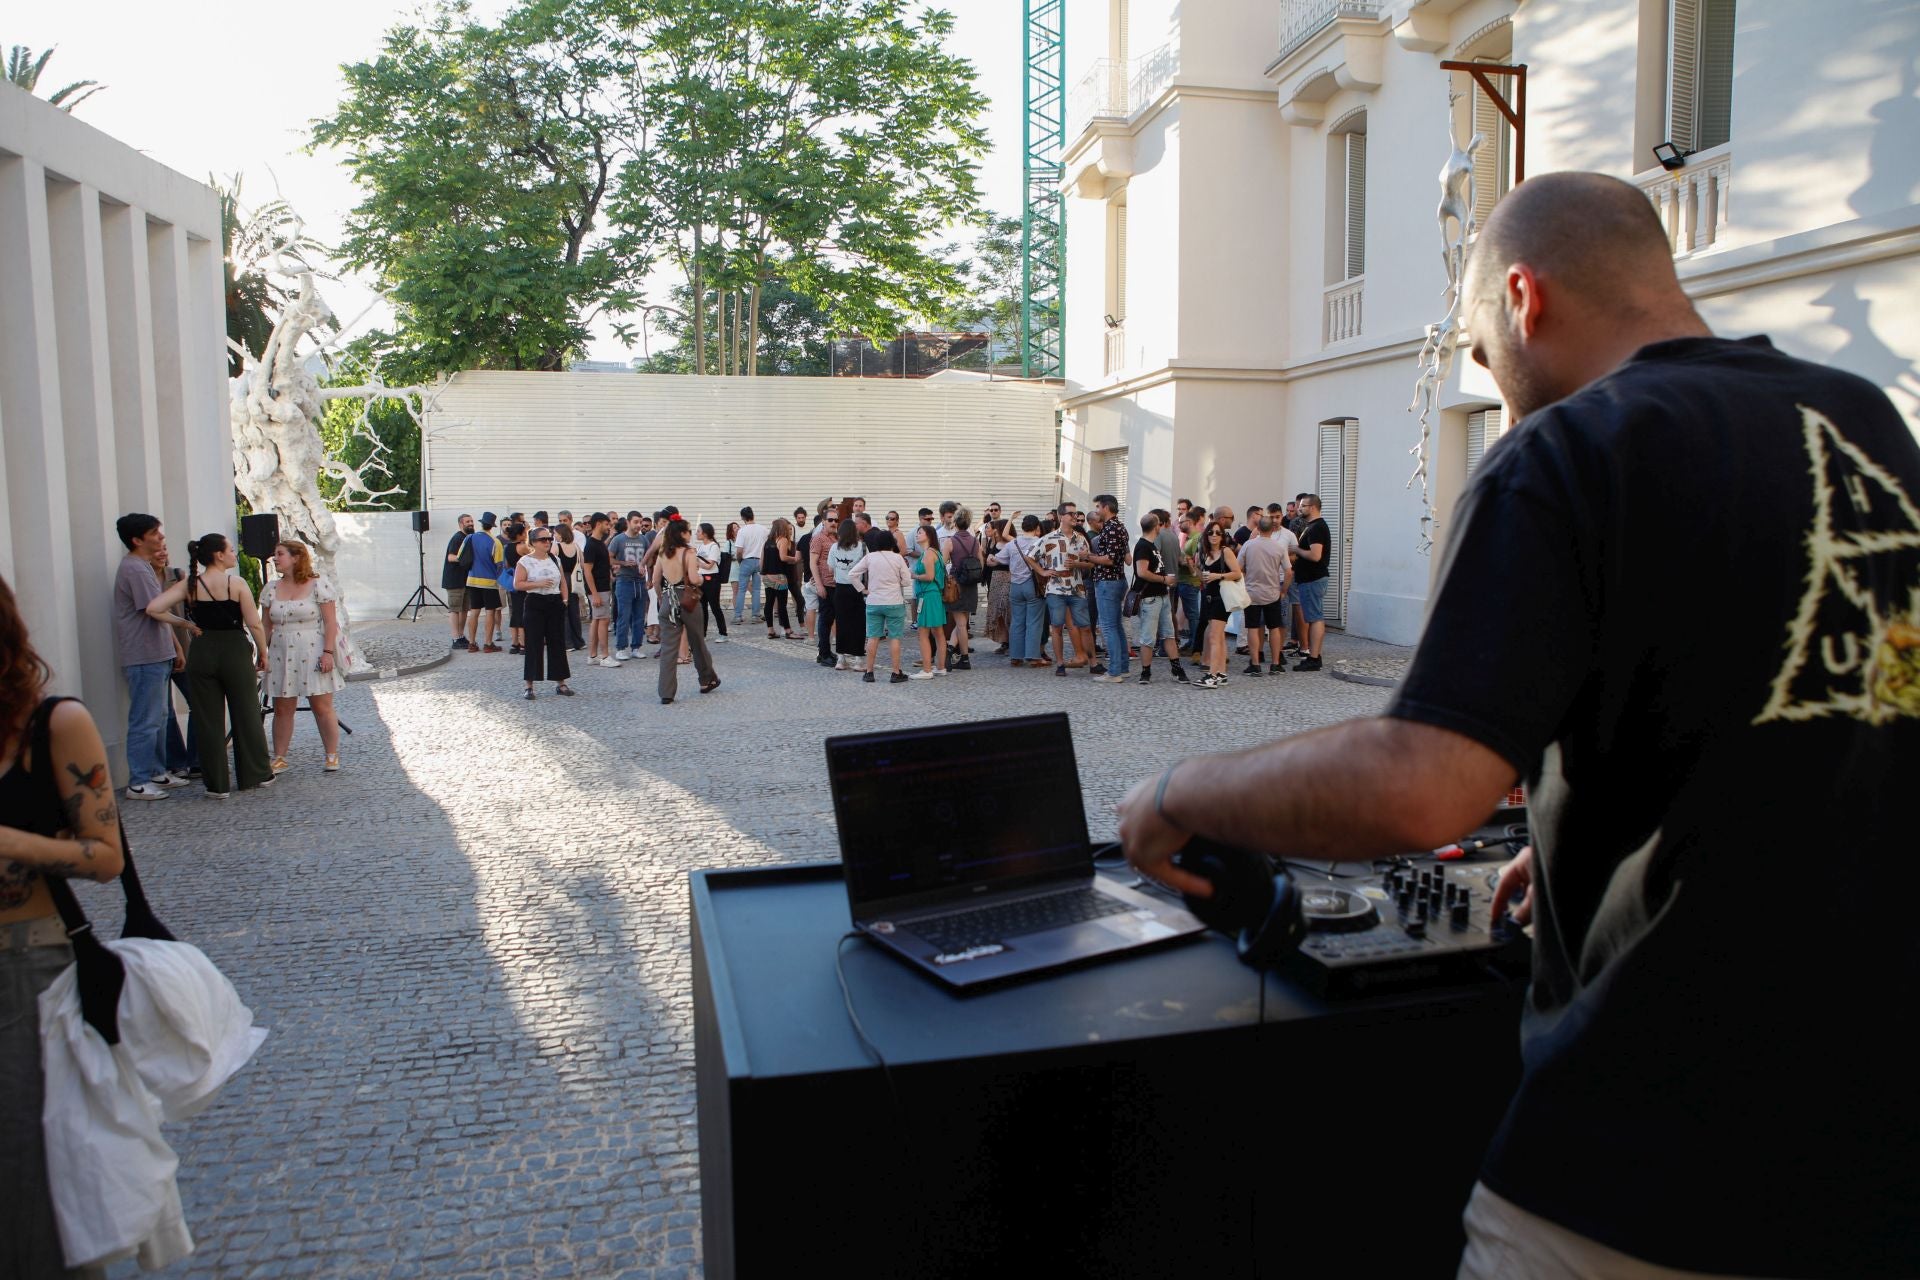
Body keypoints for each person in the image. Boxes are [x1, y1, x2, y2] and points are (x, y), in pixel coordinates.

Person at [1121, 171, 1920, 1279]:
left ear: (1523, 298)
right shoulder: (1864, 418)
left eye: (1482, 350)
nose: (1490, 383)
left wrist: (1173, 793)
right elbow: (1820, 713)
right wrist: (1588, 849)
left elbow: (1421, 786)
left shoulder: (1566, 452)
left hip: (1652, 1157)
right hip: (1874, 1135)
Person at [0, 573, 131, 1278]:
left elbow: (106, 857)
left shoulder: (54, 725)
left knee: (29, 1186)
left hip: (26, 968)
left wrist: (13, 844)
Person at [144, 534, 274, 795]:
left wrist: (186, 624)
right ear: (218, 555)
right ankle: (255, 774)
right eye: (230, 549)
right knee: (246, 713)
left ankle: (216, 784)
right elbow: (254, 623)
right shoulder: (235, 583)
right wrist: (263, 651)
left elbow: (153, 608)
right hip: (234, 651)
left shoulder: (190, 584)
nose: (234, 553)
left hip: (201, 651)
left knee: (207, 719)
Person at [112, 514, 190, 801]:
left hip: (157, 652)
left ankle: (157, 771)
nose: (160, 537)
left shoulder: (142, 567)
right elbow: (155, 609)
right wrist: (186, 625)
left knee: (160, 716)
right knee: (145, 719)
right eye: (154, 533)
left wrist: (175, 647)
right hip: (143, 655)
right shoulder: (134, 569)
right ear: (137, 540)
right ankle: (139, 781)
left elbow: (157, 614)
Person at [261, 540, 345, 772]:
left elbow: (330, 622)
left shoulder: (318, 585)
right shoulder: (271, 588)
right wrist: (261, 652)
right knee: (282, 707)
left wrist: (327, 652)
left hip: (312, 648)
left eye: (280, 554)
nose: (275, 558)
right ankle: (280, 756)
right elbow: (265, 625)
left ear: (296, 557)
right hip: (281, 650)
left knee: (321, 706)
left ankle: (331, 754)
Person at [649, 519, 719, 705]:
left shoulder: (663, 552)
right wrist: (701, 581)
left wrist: (661, 597)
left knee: (669, 649)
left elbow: (656, 579)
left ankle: (666, 693)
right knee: (697, 643)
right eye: (688, 531)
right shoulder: (689, 552)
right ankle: (706, 680)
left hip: (667, 600)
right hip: (687, 600)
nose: (690, 533)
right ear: (682, 534)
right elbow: (695, 579)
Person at [512, 527, 574, 700]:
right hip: (535, 602)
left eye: (549, 539)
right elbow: (518, 584)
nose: (547, 542)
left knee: (557, 643)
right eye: (543, 539)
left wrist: (565, 600)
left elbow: (562, 581)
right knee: (533, 643)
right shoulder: (525, 561)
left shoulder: (555, 559)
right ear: (533, 543)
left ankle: (560, 682)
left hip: (554, 602)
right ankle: (529, 685)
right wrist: (537, 583)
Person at [848, 530, 914, 684]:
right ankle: (896, 672)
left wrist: (863, 589)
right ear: (892, 542)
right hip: (894, 601)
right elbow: (906, 581)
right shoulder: (898, 558)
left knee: (873, 637)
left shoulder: (870, 557)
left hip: (874, 601)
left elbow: (852, 574)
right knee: (894, 637)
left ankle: (869, 672)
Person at [1132, 513, 1189, 684]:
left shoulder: (1152, 545)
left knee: (1169, 635)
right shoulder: (1143, 546)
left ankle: (1177, 669)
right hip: (1150, 598)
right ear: (1156, 526)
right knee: (1148, 637)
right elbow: (1142, 572)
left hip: (1162, 596)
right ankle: (1145, 672)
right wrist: (1165, 579)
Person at [1082, 495, 1133, 682]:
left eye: (1097, 507)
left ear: (1106, 507)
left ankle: (1114, 672)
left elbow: (1108, 559)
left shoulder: (1111, 528)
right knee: (1116, 626)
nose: (1096, 510)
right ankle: (1122, 667)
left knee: (1108, 626)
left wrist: (1088, 556)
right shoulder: (1119, 527)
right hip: (1116, 581)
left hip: (1108, 582)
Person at [1033, 514, 1092, 676]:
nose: (1075, 517)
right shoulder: (1048, 538)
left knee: (1085, 626)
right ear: (1061, 517)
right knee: (1057, 627)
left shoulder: (1080, 538)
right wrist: (1042, 571)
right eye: (1071, 514)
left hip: (1077, 588)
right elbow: (1029, 555)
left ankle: (1092, 662)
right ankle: (1060, 665)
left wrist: (1077, 564)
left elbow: (1091, 562)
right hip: (1056, 589)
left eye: (1076, 514)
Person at [1236, 515, 1292, 678]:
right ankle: (1275, 663)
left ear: (1258, 529)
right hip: (1272, 592)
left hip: (1252, 593)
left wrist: (1245, 579)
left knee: (1253, 628)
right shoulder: (1279, 547)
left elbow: (1238, 568)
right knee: (1274, 628)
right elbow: (1288, 572)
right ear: (1273, 529)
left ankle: (1255, 664)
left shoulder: (1248, 545)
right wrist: (1284, 591)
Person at [1190, 521, 1242, 690]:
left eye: (1217, 533)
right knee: (1218, 637)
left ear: (1222, 536)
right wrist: (1194, 567)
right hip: (1208, 597)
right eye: (1211, 532)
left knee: (1213, 636)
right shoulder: (1204, 553)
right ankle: (1221, 673)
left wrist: (1217, 576)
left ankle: (1211, 676)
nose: (1214, 535)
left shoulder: (1226, 552)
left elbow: (1237, 573)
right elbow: (1201, 575)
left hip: (1221, 598)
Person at [993, 514, 1045, 667]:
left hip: (1015, 585)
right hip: (1033, 585)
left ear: (1022, 527)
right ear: (1036, 528)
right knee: (1034, 622)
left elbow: (998, 559)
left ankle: (1015, 656)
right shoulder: (1040, 542)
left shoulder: (1012, 543)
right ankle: (1033, 656)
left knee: (1017, 621)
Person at [1291, 494, 1331, 671]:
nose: (1300, 509)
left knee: (1315, 618)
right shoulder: (1312, 526)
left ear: (1313, 507)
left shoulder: (1316, 527)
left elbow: (1315, 555)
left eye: (1303, 506)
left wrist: (1296, 550)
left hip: (1313, 578)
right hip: (1309, 578)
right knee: (1314, 616)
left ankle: (1313, 657)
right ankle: (1314, 655)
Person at [827, 510, 869, 671]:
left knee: (842, 623)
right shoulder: (862, 547)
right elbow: (867, 566)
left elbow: (830, 569)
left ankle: (841, 658)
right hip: (858, 589)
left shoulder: (834, 548)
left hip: (840, 589)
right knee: (859, 624)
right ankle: (859, 659)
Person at [908, 525, 949, 678]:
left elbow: (929, 576)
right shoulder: (935, 552)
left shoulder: (928, 554)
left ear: (929, 535)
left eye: (920, 532)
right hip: (934, 595)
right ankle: (940, 667)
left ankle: (926, 670)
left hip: (928, 595)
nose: (917, 535)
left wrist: (914, 576)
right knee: (938, 632)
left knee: (923, 632)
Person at [945, 506, 982, 671]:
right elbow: (981, 562)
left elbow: (943, 563)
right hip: (971, 585)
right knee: (962, 622)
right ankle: (951, 650)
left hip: (956, 584)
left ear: (955, 522)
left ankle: (964, 658)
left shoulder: (950, 541)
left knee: (960, 623)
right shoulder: (975, 541)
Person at [609, 513, 649, 661]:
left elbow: (648, 557)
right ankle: (620, 648)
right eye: (636, 522)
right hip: (624, 580)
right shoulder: (619, 539)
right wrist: (623, 563)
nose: (638, 525)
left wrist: (646, 572)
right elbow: (609, 557)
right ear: (628, 522)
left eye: (640, 522)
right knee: (623, 616)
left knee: (639, 616)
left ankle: (636, 647)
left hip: (639, 581)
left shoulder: (643, 539)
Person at [462, 513, 503, 653]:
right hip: (489, 582)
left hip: (472, 580)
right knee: (490, 612)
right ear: (492, 526)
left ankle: (472, 643)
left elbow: (461, 555)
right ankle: (488, 643)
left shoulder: (469, 537)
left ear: (481, 523)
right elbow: (499, 564)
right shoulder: (495, 542)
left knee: (474, 612)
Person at [581, 513, 616, 668]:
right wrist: (594, 593)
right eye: (607, 524)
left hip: (602, 586)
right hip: (598, 588)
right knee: (603, 620)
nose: (609, 527)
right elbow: (587, 570)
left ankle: (592, 655)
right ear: (599, 524)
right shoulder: (591, 544)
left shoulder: (600, 543)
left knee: (597, 620)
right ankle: (605, 656)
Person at [761, 518, 800, 639]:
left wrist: (763, 574)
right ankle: (788, 631)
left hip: (767, 576)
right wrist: (794, 559)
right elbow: (783, 557)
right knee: (782, 605)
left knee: (769, 603)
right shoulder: (782, 540)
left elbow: (761, 560)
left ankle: (770, 630)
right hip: (779, 576)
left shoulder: (767, 542)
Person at [443, 513, 475, 650]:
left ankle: (461, 636)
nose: (471, 523)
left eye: (472, 521)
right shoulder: (457, 538)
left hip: (465, 580)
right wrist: (465, 559)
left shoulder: (468, 538)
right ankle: (455, 638)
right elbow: (451, 557)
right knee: (455, 609)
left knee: (464, 609)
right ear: (461, 524)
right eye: (467, 521)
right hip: (454, 580)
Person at [732, 506, 768, 624]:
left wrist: (740, 560)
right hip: (760, 561)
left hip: (746, 561)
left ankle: (738, 616)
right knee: (757, 590)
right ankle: (755, 616)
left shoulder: (742, 531)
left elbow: (739, 551)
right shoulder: (763, 529)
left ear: (743, 518)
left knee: (741, 590)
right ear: (753, 515)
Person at [982, 517, 1013, 653]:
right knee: (997, 612)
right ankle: (1004, 641)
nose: (995, 531)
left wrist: (996, 560)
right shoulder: (996, 543)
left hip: (1007, 578)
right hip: (995, 580)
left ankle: (1012, 641)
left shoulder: (1010, 543)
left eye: (997, 528)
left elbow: (1002, 561)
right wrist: (995, 560)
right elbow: (989, 561)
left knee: (1007, 610)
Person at [696, 523, 729, 640]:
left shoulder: (713, 546)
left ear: (705, 533)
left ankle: (723, 633)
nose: (696, 533)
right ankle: (703, 633)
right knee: (702, 607)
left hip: (712, 579)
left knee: (715, 607)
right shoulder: (700, 547)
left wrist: (698, 563)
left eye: (698, 531)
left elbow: (710, 565)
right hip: (700, 579)